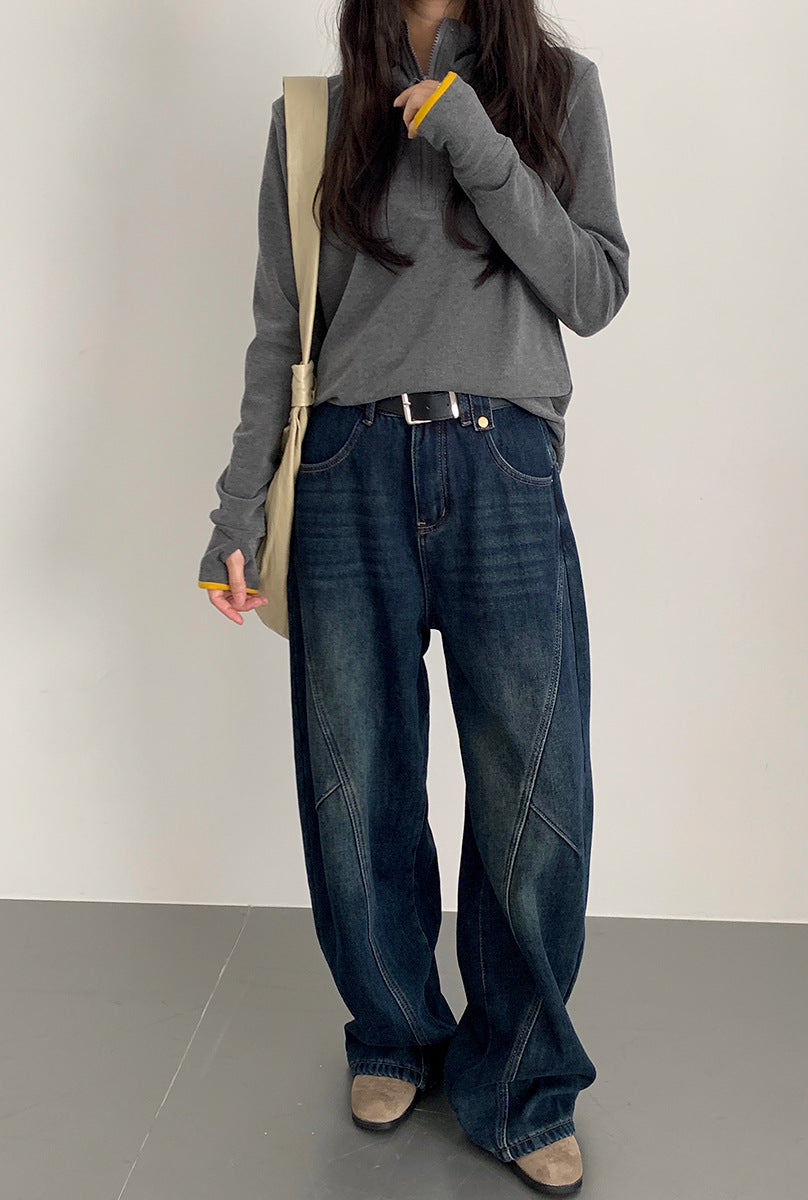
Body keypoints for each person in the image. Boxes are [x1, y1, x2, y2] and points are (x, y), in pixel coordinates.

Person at [198, 0, 629, 1192]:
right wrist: (237, 511)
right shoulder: (319, 116)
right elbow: (280, 334)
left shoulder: (559, 92)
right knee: (357, 786)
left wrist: (474, 139)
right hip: (347, 466)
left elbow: (594, 290)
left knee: (536, 792)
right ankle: (393, 1031)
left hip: (503, 464)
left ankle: (524, 1079)